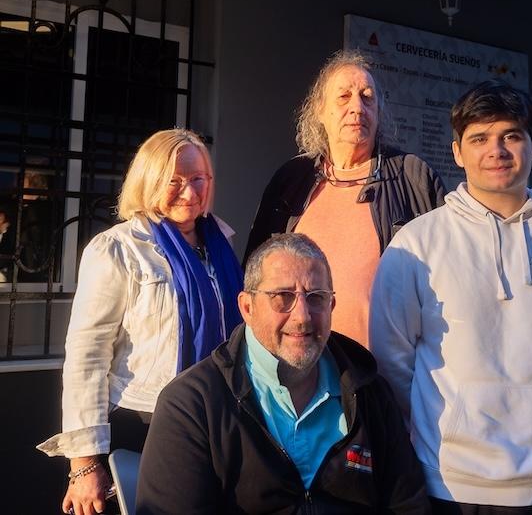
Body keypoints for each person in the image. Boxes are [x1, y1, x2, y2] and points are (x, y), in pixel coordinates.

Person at [370, 81, 532, 514]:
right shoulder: (416, 245)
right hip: (456, 485)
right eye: (480, 138)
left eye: (511, 135)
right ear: (456, 152)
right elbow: (394, 360)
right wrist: (449, 430)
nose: (497, 150)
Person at [137, 233, 430, 514]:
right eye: (282, 296)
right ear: (247, 307)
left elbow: (406, 505)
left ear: (332, 306)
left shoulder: (369, 394)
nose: (302, 317)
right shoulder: (192, 405)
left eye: (315, 297)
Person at [37, 128, 244, 515]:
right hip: (143, 424)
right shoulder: (118, 249)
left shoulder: (221, 244)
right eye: (174, 181)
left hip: (219, 419)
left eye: (198, 179)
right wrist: (84, 464)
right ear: (148, 180)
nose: (189, 191)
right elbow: (87, 356)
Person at [245, 50, 445, 347]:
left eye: (367, 97)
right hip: (300, 370)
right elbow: (255, 275)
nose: (358, 107)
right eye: (344, 97)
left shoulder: (412, 177)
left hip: (384, 374)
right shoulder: (291, 180)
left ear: (379, 111)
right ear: (320, 110)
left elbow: (447, 274)